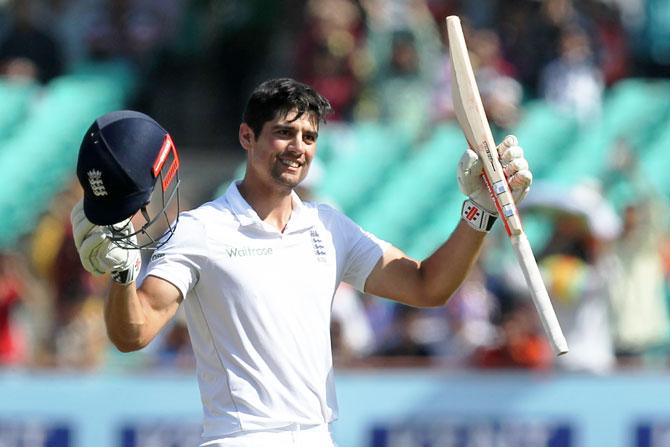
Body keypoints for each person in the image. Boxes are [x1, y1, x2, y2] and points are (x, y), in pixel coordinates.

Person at [70, 78, 532, 446]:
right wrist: (122, 272)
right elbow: (133, 334)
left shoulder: (329, 227)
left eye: (309, 137)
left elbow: (428, 286)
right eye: (285, 133)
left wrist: (481, 211)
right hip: (241, 437)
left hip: (318, 435)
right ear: (247, 137)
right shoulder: (199, 230)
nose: (299, 147)